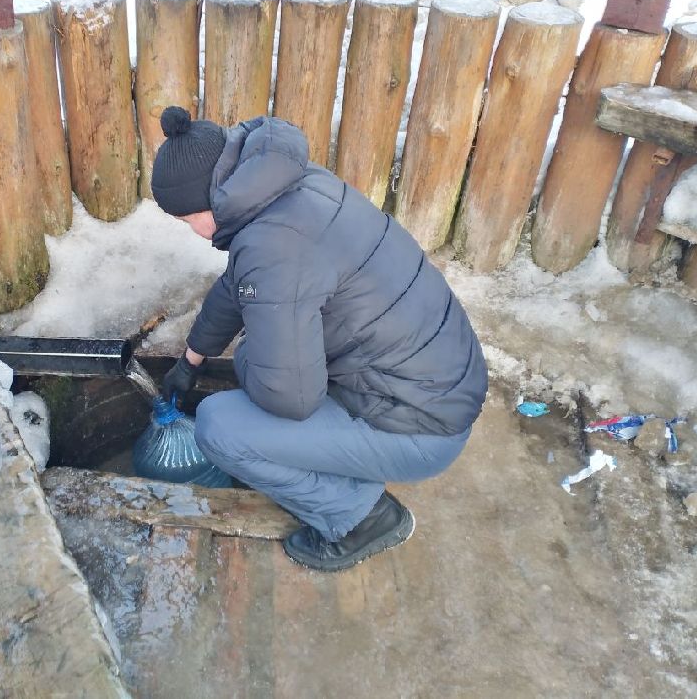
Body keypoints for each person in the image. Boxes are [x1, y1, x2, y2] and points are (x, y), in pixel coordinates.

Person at [150, 106, 488, 572]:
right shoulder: (289, 184)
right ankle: (328, 469)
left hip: (423, 430)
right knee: (258, 359)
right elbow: (237, 285)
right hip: (433, 384)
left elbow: (292, 400)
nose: (193, 231)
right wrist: (191, 360)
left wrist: (248, 372)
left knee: (220, 427)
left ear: (206, 202)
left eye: (187, 219)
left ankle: (361, 517)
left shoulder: (273, 247)